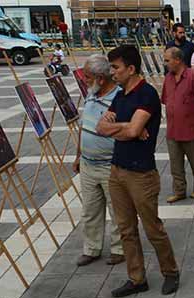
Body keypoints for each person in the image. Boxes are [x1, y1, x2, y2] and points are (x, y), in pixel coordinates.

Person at [96, 45, 181, 297]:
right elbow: (101, 127)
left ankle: (171, 272)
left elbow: (135, 132)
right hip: (117, 171)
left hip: (141, 174)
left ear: (131, 69)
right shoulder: (120, 95)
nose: (113, 73)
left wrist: (127, 129)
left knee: (152, 228)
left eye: (116, 67)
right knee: (126, 229)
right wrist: (128, 126)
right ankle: (136, 278)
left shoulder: (146, 95)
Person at [73, 54, 124, 267]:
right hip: (88, 164)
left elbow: (125, 130)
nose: (84, 80)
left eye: (87, 77)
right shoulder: (91, 95)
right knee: (90, 210)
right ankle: (91, 248)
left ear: (100, 78)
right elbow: (84, 126)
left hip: (109, 166)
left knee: (117, 210)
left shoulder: (120, 98)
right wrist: (78, 155)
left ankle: (119, 249)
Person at [162, 46, 194, 203]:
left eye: (167, 60)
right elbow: (166, 100)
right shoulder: (168, 78)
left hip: (192, 129)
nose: (165, 63)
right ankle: (179, 191)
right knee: (175, 164)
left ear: (178, 60)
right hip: (173, 130)